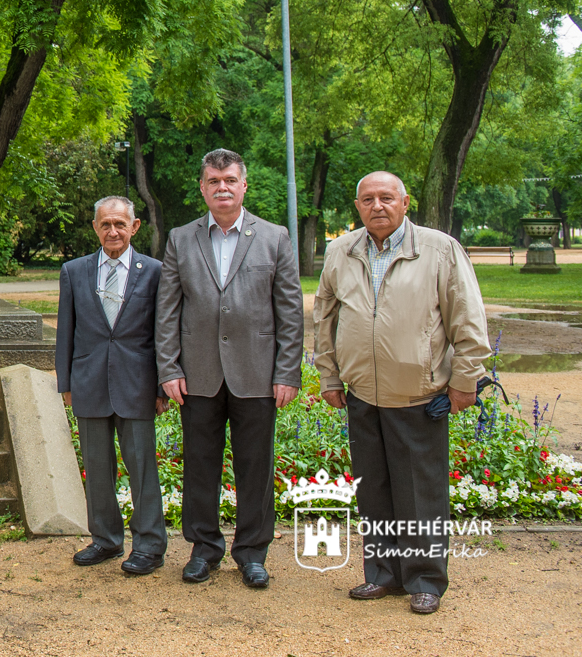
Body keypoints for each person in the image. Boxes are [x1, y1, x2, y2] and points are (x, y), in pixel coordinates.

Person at [314, 172, 489, 615]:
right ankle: (383, 574)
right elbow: (326, 320)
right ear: (357, 206)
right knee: (373, 489)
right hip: (363, 394)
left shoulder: (439, 249)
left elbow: (467, 319)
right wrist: (330, 377)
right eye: (368, 199)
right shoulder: (341, 251)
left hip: (419, 396)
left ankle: (425, 578)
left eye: (386, 198)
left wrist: (465, 380)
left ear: (405, 202)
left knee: (420, 492)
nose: (378, 206)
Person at [156, 148, 304, 588]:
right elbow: (167, 311)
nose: (222, 188)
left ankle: (252, 553)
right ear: (202, 188)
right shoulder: (181, 239)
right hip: (196, 372)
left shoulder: (274, 237)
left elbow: (290, 311)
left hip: (257, 373)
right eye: (213, 181)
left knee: (254, 467)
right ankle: (204, 550)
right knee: (200, 464)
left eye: (230, 180)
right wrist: (168, 367)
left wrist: (287, 372)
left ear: (244, 186)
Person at [56, 197, 168, 576]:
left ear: (134, 227)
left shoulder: (154, 272)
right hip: (88, 383)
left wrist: (161, 388)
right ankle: (105, 539)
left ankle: (150, 545)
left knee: (142, 466)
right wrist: (65, 383)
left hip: (137, 384)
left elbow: (162, 334)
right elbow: (66, 332)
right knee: (97, 467)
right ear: (95, 227)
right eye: (105, 224)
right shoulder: (74, 271)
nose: (113, 231)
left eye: (120, 224)